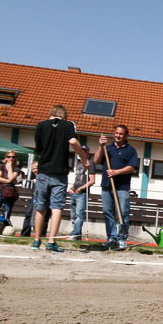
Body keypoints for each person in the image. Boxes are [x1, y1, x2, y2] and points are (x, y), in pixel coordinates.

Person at [32, 106, 90, 252]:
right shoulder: (68, 124)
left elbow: (38, 148)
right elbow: (73, 142)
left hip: (43, 171)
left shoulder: (41, 125)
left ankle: (36, 240)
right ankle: (51, 241)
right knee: (56, 207)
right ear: (64, 116)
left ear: (50, 114)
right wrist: (83, 159)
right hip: (59, 171)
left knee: (40, 207)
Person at [93, 125, 139, 250]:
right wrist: (100, 146)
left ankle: (122, 238)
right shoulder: (108, 148)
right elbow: (96, 160)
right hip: (107, 185)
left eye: (121, 134)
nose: (118, 136)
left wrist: (116, 172)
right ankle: (111, 238)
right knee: (107, 212)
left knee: (123, 213)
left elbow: (132, 167)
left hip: (122, 187)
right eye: (116, 133)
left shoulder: (131, 150)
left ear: (126, 136)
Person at [67, 145, 95, 240]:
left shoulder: (90, 163)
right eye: (80, 151)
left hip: (82, 193)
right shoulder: (78, 164)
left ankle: (74, 234)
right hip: (74, 192)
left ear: (87, 152)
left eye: (84, 151)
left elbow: (92, 181)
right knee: (73, 216)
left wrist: (81, 188)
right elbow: (77, 179)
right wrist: (71, 187)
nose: (82, 153)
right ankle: (77, 236)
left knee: (79, 214)